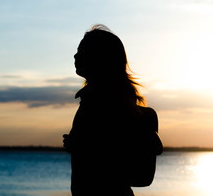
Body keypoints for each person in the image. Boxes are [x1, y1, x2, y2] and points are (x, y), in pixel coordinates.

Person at [63, 24, 162, 196]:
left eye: (82, 51)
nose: (75, 55)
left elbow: (142, 168)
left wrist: (82, 147)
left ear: (100, 57)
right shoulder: (95, 98)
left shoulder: (110, 101)